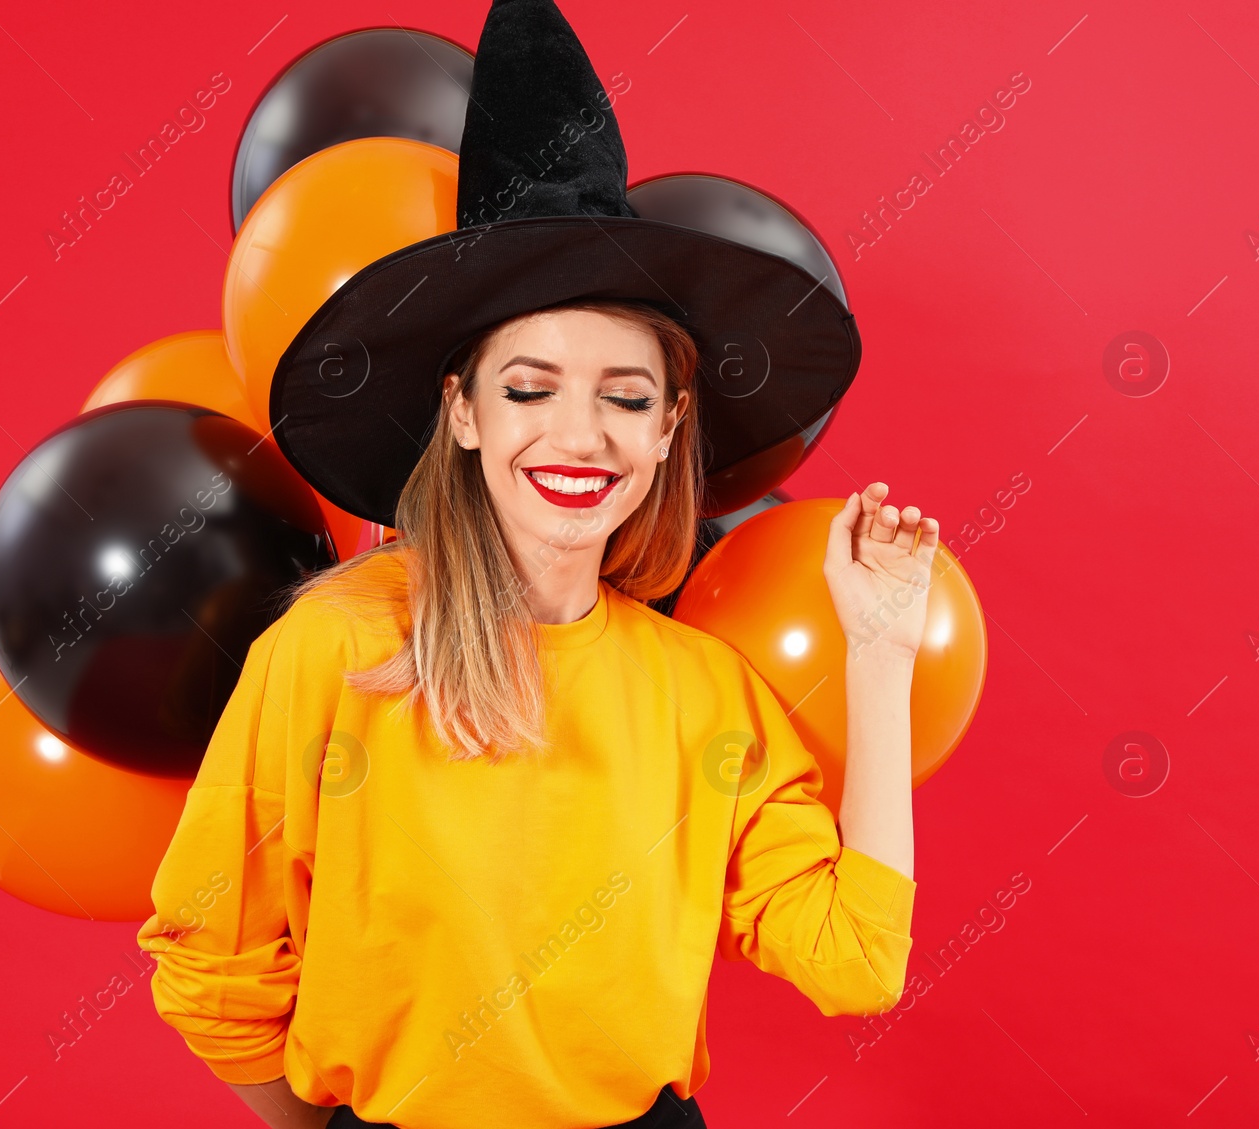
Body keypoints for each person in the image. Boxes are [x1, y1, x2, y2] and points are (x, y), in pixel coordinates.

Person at [137, 2, 936, 1126]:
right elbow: (209, 964)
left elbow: (859, 962)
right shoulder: (337, 649)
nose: (581, 437)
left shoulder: (700, 692)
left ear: (667, 433)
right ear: (460, 413)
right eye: (529, 388)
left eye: (626, 396)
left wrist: (881, 652)